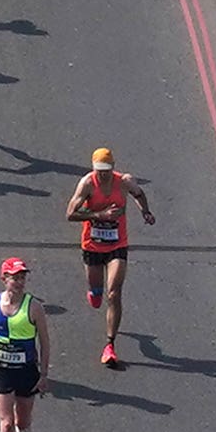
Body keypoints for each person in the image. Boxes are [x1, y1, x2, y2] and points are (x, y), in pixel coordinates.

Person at [64, 147, 152, 365]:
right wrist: (99, 215)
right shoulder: (87, 184)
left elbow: (139, 194)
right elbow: (70, 214)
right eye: (98, 170)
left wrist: (145, 212)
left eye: (106, 170)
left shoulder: (124, 182)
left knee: (114, 293)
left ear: (113, 167)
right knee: (97, 296)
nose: (102, 174)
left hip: (117, 244)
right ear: (93, 168)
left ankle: (110, 345)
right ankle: (94, 292)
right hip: (93, 245)